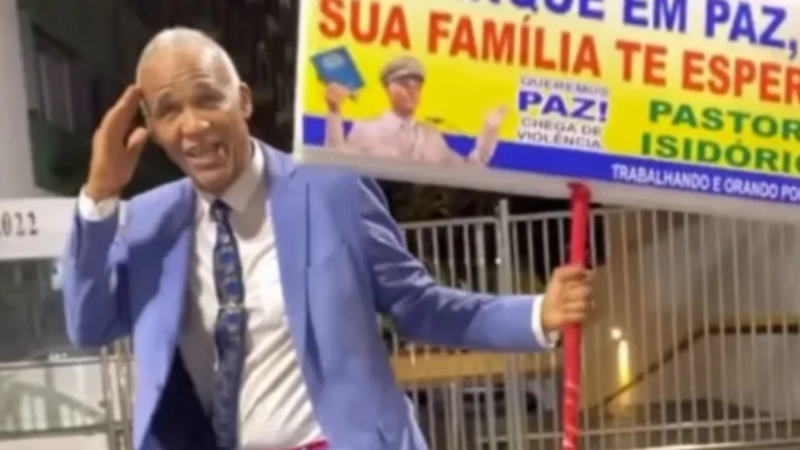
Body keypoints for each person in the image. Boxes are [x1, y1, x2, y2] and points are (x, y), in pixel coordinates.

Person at [62, 27, 593, 450]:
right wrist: (99, 195)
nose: (193, 126)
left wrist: (537, 314)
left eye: (207, 99)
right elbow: (89, 325)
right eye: (169, 111)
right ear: (151, 127)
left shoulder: (332, 188)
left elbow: (418, 306)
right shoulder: (148, 221)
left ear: (242, 101)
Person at [324, 55, 507, 165]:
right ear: (389, 89)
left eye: (417, 86)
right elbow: (337, 161)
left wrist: (490, 130)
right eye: (404, 84)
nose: (412, 91)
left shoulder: (431, 136)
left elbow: (468, 171)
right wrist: (334, 112)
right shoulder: (367, 129)